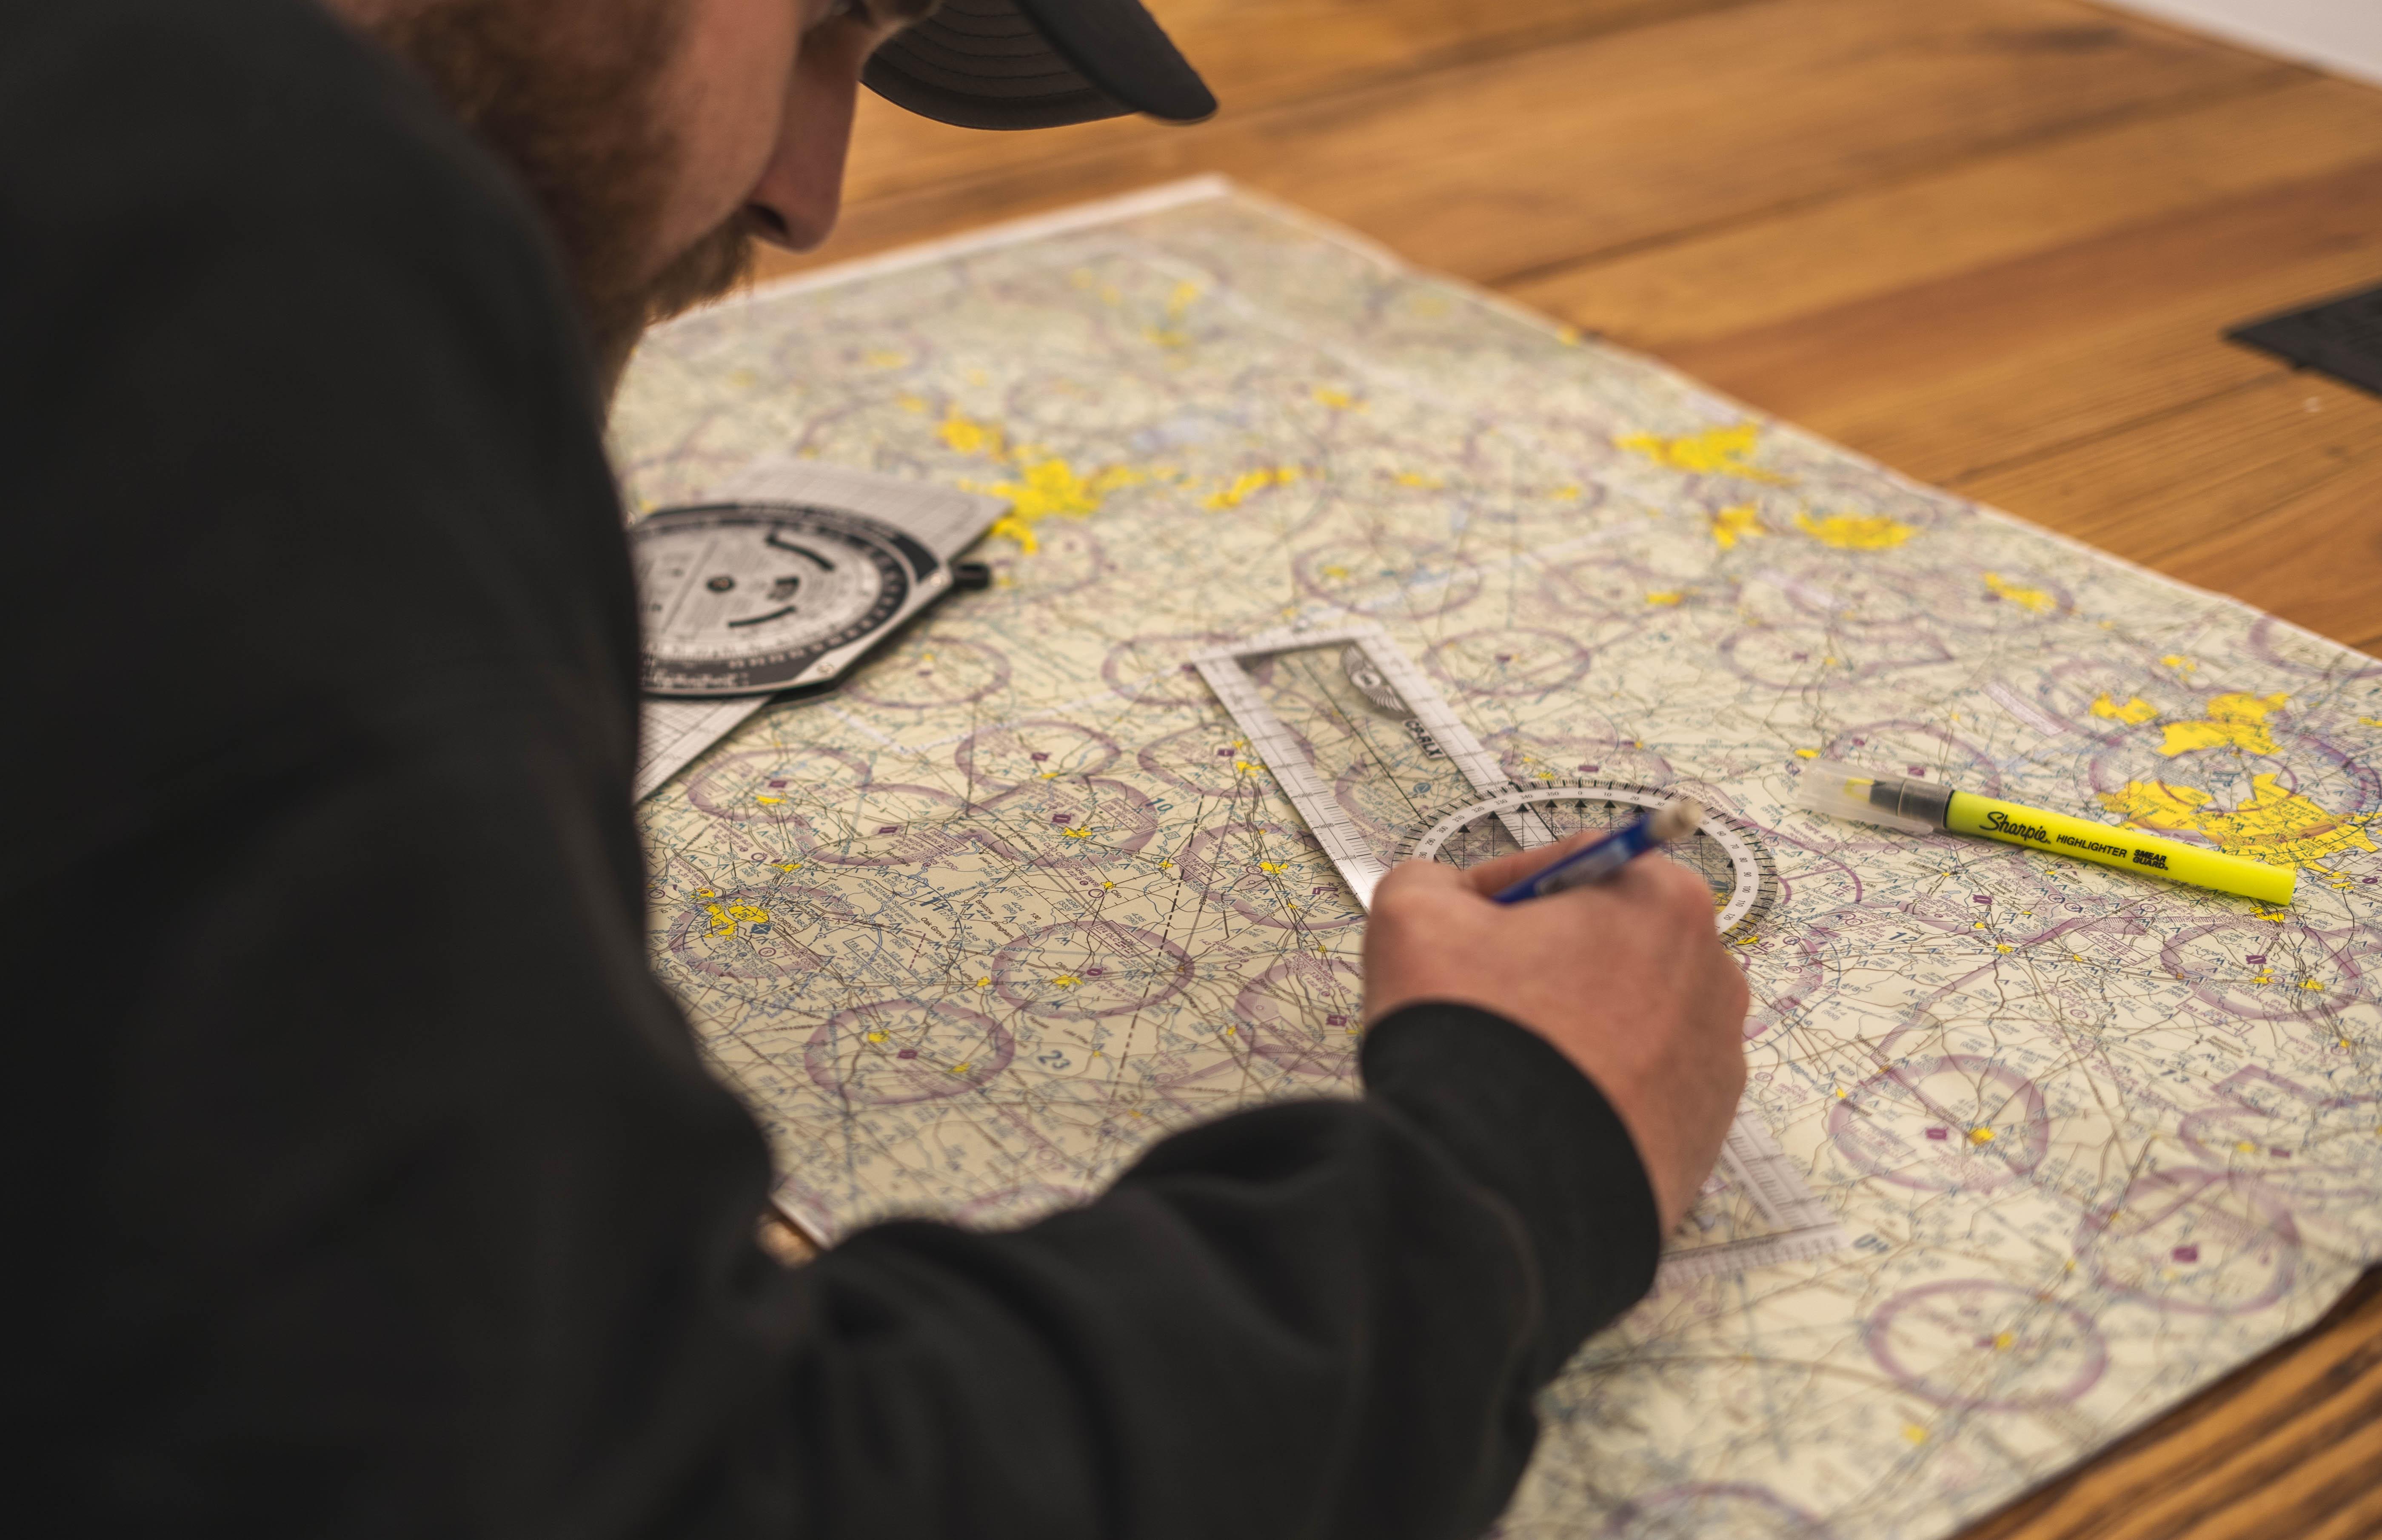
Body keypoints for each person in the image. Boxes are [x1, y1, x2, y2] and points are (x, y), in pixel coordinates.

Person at [4, 0, 1751, 1532]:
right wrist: (1512, 1166)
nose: (806, 191)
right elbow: (677, 1494)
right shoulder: (231, 239)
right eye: (827, 15)